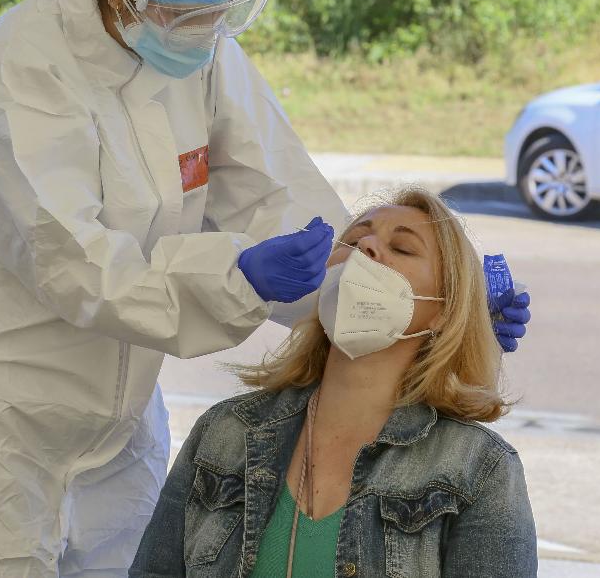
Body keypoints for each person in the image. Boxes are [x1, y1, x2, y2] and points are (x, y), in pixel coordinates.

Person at [0, 0, 529, 577]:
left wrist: (442, 303)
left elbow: (285, 203)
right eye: (195, 14)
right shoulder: (20, 79)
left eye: (225, 11)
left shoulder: (195, 44)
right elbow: (81, 268)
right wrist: (239, 278)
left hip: (116, 427)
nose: (213, 29)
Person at [131, 186, 537, 577]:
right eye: (355, 239)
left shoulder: (479, 470)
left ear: (445, 311)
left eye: (401, 248)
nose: (365, 249)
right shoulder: (225, 433)